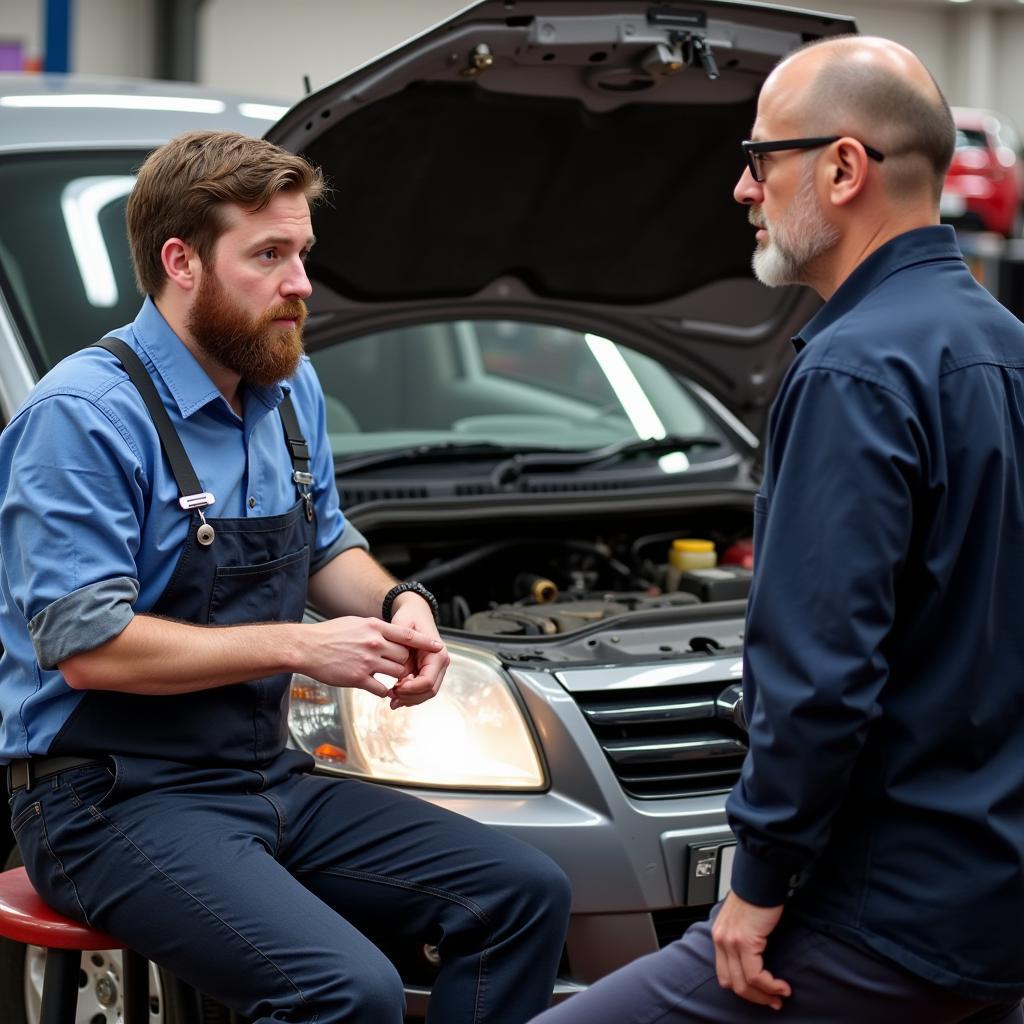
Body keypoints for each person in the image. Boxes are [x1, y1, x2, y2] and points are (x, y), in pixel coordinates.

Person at [0, 129, 570, 1024]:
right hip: (105, 800)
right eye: (268, 254)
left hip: (263, 775)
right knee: (345, 990)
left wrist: (400, 602)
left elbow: (326, 546)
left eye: (302, 251)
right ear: (180, 260)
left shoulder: (287, 387)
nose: (301, 283)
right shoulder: (82, 417)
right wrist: (304, 645)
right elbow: (88, 649)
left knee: (521, 893)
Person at [531, 35, 1024, 1024]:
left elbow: (822, 678)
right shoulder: (1003, 348)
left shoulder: (853, 371)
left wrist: (753, 885)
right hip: (993, 903)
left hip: (879, 915)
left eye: (759, 158)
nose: (741, 189)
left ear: (842, 168)